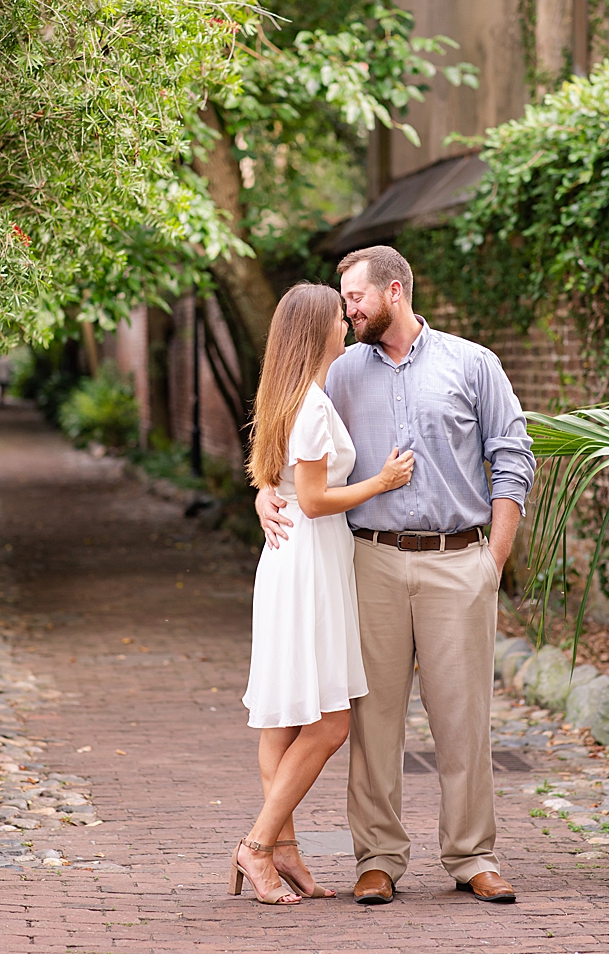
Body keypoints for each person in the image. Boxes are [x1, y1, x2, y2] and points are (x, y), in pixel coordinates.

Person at [257, 245, 535, 907]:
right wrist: (266, 490)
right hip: (369, 562)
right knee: (372, 719)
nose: (346, 309)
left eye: (355, 296)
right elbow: (288, 437)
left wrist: (490, 562)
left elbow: (512, 455)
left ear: (395, 291)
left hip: (457, 559)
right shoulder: (341, 372)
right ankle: (377, 859)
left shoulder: (473, 364)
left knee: (462, 718)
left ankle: (472, 856)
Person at [233, 283, 414, 905]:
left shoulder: (293, 395)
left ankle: (282, 849)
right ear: (319, 333)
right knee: (329, 723)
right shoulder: (308, 405)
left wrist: (267, 493)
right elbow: (311, 500)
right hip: (308, 563)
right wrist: (381, 481)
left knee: (284, 718)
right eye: (339, 317)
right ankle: (258, 847)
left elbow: (279, 483)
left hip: (299, 562)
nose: (347, 323)